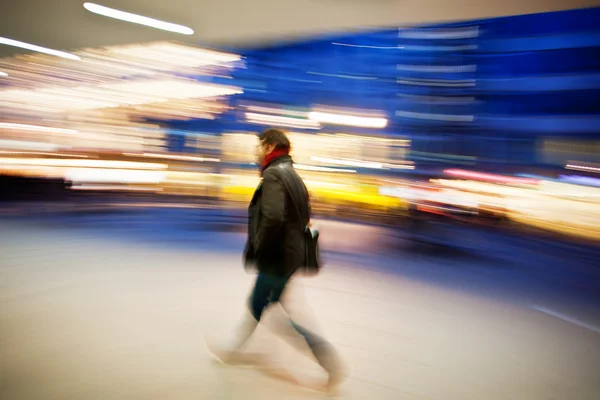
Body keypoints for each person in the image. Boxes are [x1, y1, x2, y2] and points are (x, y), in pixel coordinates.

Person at [206, 128, 347, 391]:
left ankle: (326, 358)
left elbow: (272, 217)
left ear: (270, 147)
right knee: (263, 304)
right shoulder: (294, 176)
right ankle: (233, 350)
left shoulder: (273, 175)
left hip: (275, 256)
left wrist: (258, 246)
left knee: (261, 304)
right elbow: (305, 217)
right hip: (290, 257)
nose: (258, 151)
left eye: (261, 145)